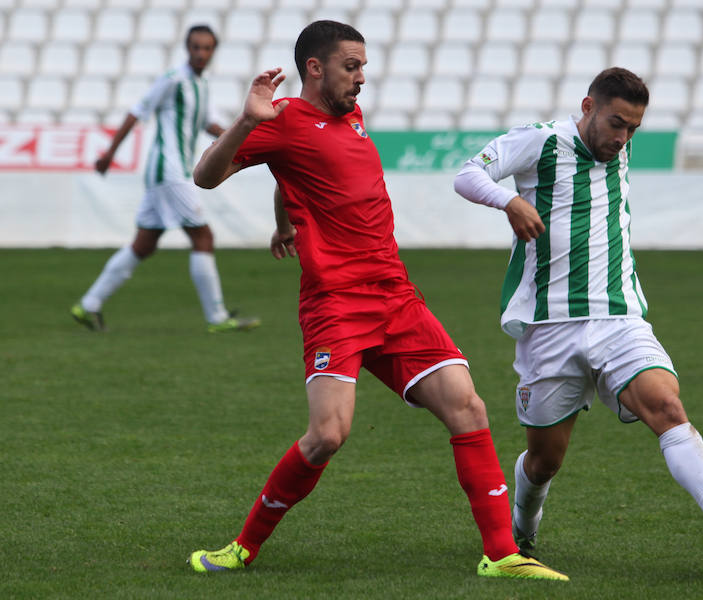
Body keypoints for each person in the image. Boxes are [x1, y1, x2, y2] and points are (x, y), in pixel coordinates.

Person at [186, 20, 568, 581]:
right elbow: (204, 177)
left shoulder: (352, 117)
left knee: (468, 407)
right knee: (327, 436)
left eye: (363, 66)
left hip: (395, 297)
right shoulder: (283, 118)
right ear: (314, 68)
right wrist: (247, 120)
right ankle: (241, 547)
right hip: (335, 305)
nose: (362, 78)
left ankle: (501, 555)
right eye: (351, 66)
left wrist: (284, 223)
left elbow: (291, 175)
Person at [453, 67, 703, 560]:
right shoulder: (540, 141)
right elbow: (466, 174)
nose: (623, 137)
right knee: (544, 461)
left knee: (666, 406)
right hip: (548, 327)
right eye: (616, 123)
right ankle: (522, 528)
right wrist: (509, 200)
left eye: (633, 128)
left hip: (619, 317)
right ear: (587, 107)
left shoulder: (617, 145)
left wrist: (620, 133)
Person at [70, 25, 260, 333]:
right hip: (170, 172)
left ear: (213, 51)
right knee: (203, 237)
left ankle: (88, 305)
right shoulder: (173, 80)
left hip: (169, 173)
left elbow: (211, 125)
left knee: (143, 245)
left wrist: (248, 142)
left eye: (206, 48)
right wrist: (109, 154)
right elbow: (136, 112)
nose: (200, 53)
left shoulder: (202, 84)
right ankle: (217, 318)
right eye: (195, 47)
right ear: (187, 48)